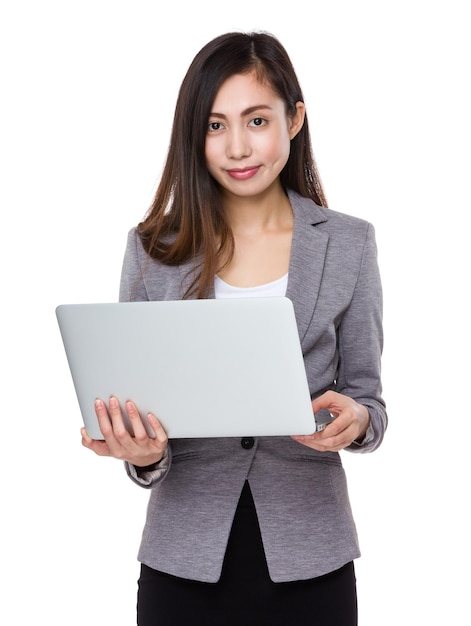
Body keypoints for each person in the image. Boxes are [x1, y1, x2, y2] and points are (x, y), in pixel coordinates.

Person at [81, 31, 387, 626]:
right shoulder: (153, 250)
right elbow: (141, 423)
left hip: (311, 560)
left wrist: (356, 422)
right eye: (216, 126)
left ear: (294, 120)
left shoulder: (350, 243)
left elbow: (369, 400)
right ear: (193, 135)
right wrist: (142, 454)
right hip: (183, 563)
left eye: (256, 120)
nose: (238, 147)